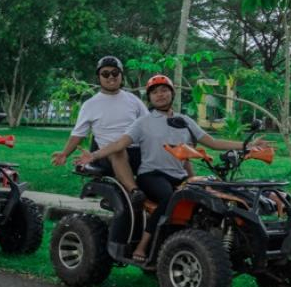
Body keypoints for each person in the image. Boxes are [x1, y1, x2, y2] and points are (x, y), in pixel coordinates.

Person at [77, 74, 265, 262]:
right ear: (149, 98)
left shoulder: (185, 121)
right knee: (170, 198)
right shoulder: (143, 122)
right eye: (155, 92)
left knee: (207, 198)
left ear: (171, 94)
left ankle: (193, 244)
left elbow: (213, 142)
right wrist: (93, 156)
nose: (160, 95)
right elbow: (119, 144)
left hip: (180, 176)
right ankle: (143, 244)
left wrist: (246, 145)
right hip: (151, 175)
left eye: (164, 90)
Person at [52, 56, 147, 198]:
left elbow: (148, 125)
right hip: (107, 155)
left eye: (115, 73)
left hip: (136, 151)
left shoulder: (133, 100)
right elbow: (78, 134)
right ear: (99, 77)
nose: (111, 77)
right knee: (117, 151)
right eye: (105, 74)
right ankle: (134, 192)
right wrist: (65, 153)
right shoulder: (90, 105)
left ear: (121, 75)